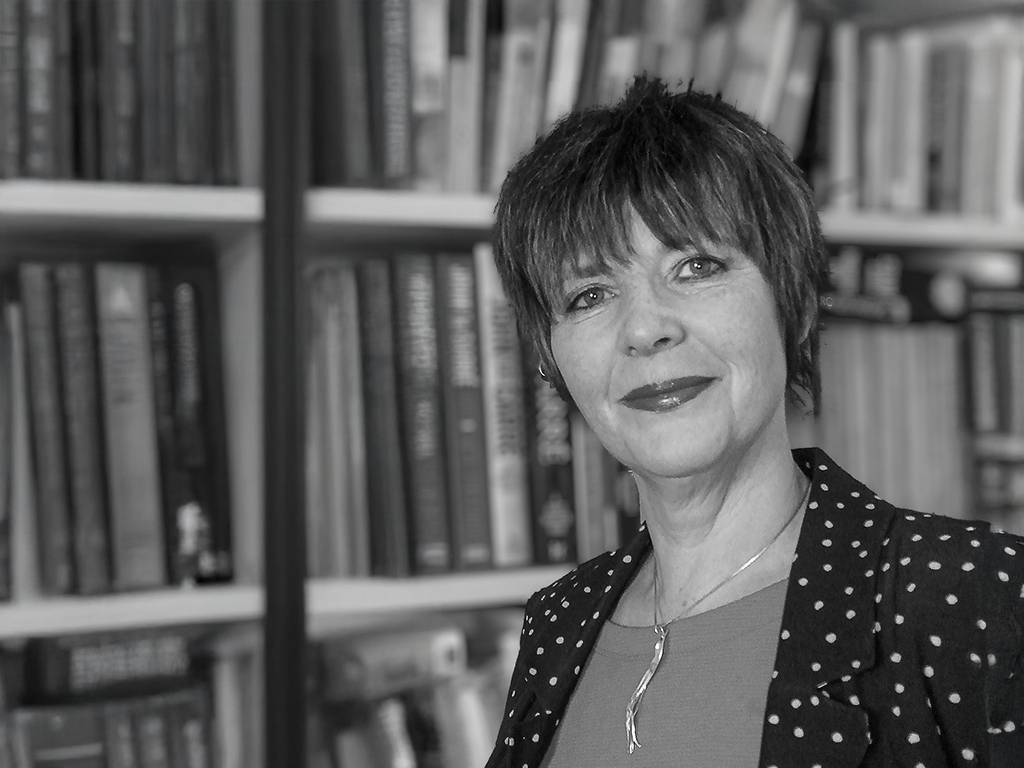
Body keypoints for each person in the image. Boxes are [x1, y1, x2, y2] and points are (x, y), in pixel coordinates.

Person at [483, 75, 1024, 768]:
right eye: (589, 294)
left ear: (791, 302)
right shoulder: (557, 624)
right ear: (552, 358)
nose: (645, 328)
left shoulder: (975, 599)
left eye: (696, 265)